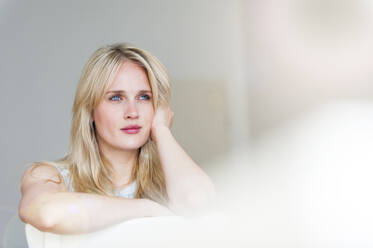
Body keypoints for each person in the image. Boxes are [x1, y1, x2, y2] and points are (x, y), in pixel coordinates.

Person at [18, 43, 216, 235]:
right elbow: (48, 214)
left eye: (144, 97)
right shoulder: (49, 176)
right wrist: (145, 209)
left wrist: (162, 130)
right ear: (90, 111)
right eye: (115, 98)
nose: (132, 112)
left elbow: (199, 204)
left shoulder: (173, 183)